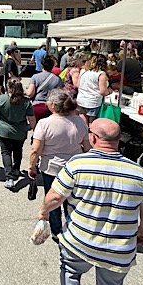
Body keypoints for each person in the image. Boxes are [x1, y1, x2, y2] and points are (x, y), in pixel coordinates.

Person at [38, 119, 143, 285]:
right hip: (118, 248)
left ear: (92, 138)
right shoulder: (139, 174)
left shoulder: (76, 164)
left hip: (78, 241)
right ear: (118, 141)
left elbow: (55, 196)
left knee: (71, 272)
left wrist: (43, 212)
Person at [30, 89, 90, 240]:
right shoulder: (80, 122)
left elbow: (35, 150)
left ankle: (56, 232)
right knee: (72, 201)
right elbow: (87, 146)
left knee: (53, 201)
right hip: (75, 169)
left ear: (52, 105)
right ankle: (72, 229)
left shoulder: (44, 123)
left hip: (51, 169)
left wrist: (31, 167)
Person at [0, 78, 35, 189]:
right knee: (18, 150)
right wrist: (29, 128)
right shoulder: (26, 102)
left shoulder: (2, 99)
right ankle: (16, 170)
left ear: (9, 88)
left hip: (4, 131)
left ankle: (9, 177)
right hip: (20, 131)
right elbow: (32, 120)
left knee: (6, 152)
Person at [27, 56, 64, 121]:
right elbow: (60, 94)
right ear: (52, 66)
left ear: (42, 65)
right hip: (51, 107)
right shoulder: (58, 79)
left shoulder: (35, 77)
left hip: (37, 106)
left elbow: (30, 94)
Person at [75, 54, 110, 124]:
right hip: (93, 102)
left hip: (81, 100)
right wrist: (109, 92)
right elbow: (103, 91)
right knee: (91, 124)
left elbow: (78, 85)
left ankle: (83, 134)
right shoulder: (101, 74)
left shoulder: (83, 71)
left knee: (83, 122)